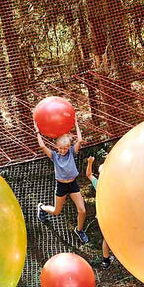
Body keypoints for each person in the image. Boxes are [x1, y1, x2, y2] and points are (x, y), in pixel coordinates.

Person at [34, 114, 88, 244]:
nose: (63, 150)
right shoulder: (54, 156)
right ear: (56, 147)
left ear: (69, 147)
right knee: (56, 211)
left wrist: (76, 124)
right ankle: (42, 208)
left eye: (65, 148)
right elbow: (42, 147)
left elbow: (80, 140)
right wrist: (37, 132)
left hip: (73, 184)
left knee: (82, 210)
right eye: (60, 148)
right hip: (61, 186)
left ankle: (79, 230)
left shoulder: (72, 153)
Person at [86, 154, 114, 268]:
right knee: (108, 238)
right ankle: (106, 259)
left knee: (107, 238)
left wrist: (90, 163)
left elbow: (89, 174)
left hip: (103, 216)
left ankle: (106, 260)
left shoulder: (99, 184)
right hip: (110, 216)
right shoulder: (110, 186)